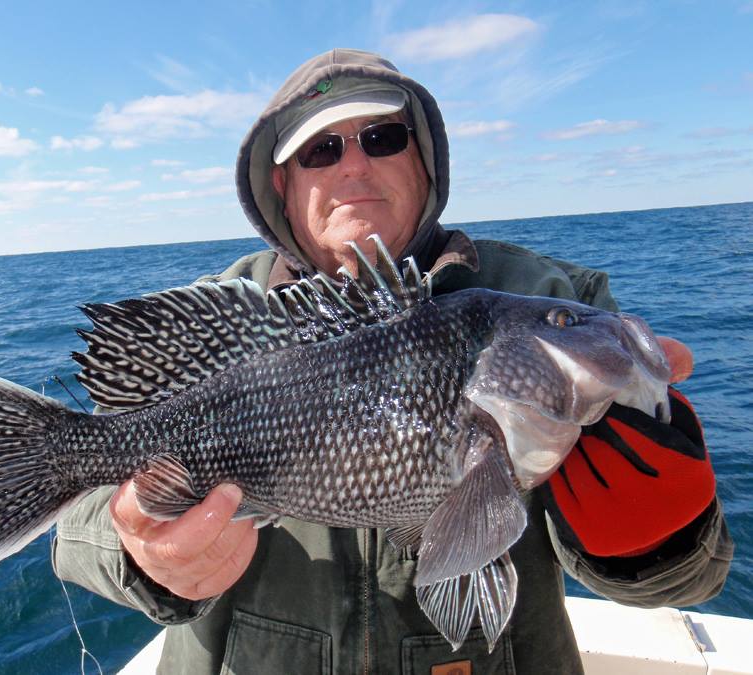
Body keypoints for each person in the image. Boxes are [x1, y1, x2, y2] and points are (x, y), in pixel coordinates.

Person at [53, 49, 733, 673]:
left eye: (381, 138)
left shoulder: (552, 297)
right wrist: (140, 551)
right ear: (281, 185)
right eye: (321, 149)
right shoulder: (213, 318)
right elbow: (74, 513)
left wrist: (660, 543)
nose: (354, 166)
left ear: (424, 162)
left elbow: (690, 584)